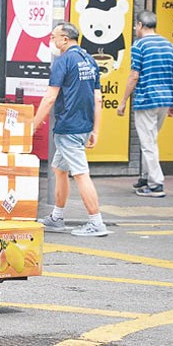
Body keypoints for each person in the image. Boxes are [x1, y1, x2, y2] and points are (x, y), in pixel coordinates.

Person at [34, 22, 111, 237]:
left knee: (80, 173)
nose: (52, 41)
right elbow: (98, 98)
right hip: (84, 126)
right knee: (60, 169)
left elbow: (50, 97)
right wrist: (95, 130)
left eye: (53, 37)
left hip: (69, 127)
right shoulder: (90, 60)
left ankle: (96, 223)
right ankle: (57, 218)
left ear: (65, 39)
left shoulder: (64, 61)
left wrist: (33, 124)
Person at [117, 10, 173, 198]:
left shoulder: (139, 45)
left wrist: (123, 101)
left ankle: (156, 184)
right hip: (165, 100)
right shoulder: (168, 45)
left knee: (148, 143)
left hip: (146, 99)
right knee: (151, 140)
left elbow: (134, 75)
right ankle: (145, 177)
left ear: (139, 25)